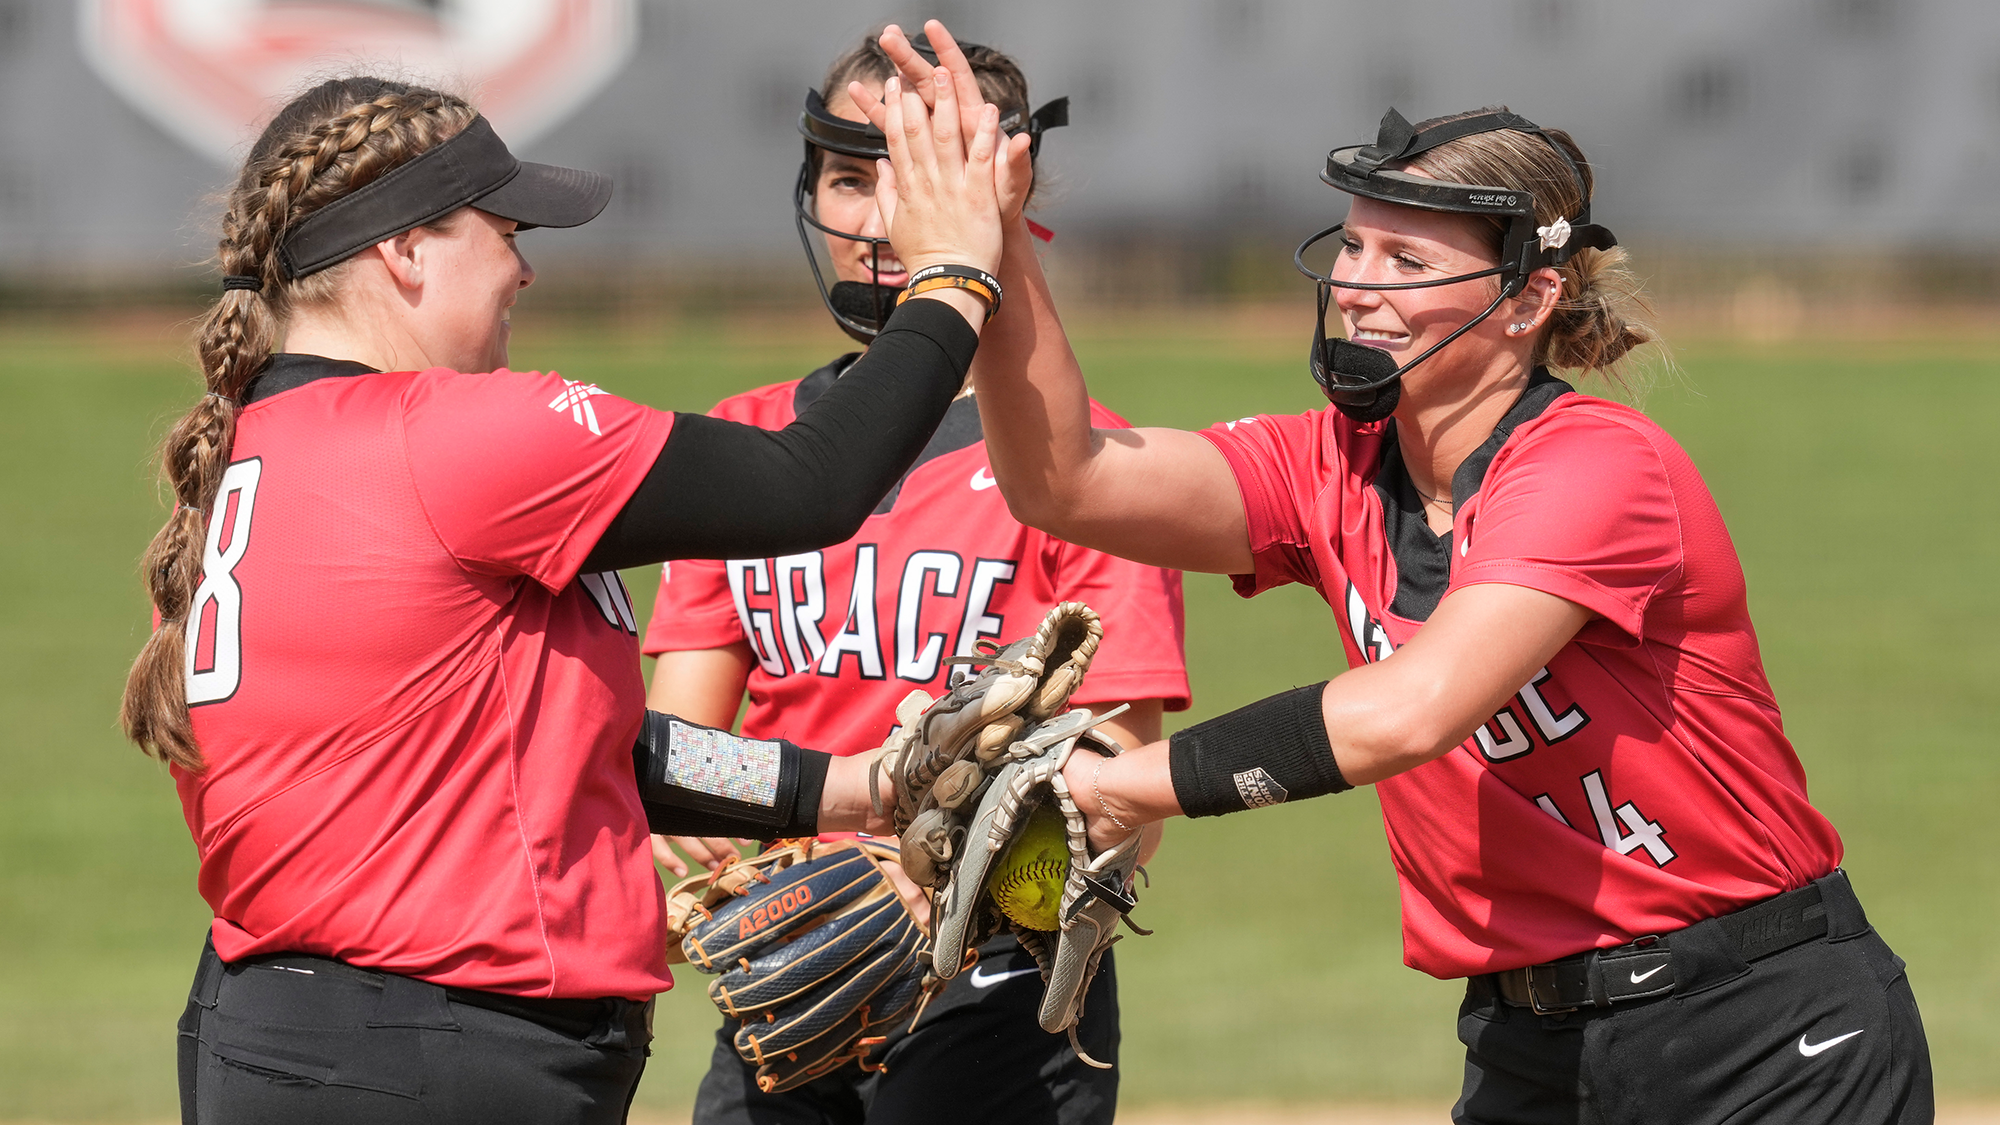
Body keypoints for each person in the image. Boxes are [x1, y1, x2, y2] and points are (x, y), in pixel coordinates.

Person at [860, 26, 1933, 1124]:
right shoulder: (1329, 462)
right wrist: (991, 240)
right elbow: (1065, 481)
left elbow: (1407, 712)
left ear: (1525, 301)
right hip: (1529, 1044)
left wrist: (1112, 783)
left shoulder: (1594, 465)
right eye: (1354, 250)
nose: (1358, 288)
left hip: (1761, 1030)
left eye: (1406, 262)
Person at [120, 70, 1007, 1124]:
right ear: (405, 250)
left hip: (293, 1035)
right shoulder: (455, 436)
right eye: (502, 229)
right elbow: (811, 483)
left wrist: (848, 788)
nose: (527, 267)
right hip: (432, 1055)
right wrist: (953, 279)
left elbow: (577, 747)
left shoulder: (260, 448)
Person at [644, 30, 1189, 1125]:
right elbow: (685, 748)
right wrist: (711, 829)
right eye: (850, 176)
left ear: (1002, 189)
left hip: (1000, 989)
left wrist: (939, 886)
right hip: (789, 967)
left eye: (920, 175)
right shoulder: (741, 445)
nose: (879, 217)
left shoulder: (1082, 471)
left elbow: (1121, 784)